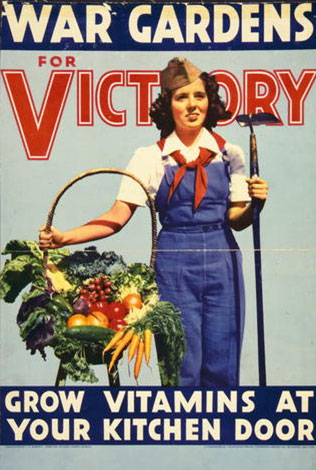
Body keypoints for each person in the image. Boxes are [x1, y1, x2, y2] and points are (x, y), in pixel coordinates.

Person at [39, 58, 268, 387]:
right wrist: (64, 238)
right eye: (181, 97)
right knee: (180, 362)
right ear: (168, 106)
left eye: (199, 96)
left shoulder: (230, 153)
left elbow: (238, 219)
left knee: (223, 360)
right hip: (174, 263)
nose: (192, 105)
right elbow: (117, 217)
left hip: (223, 261)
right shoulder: (149, 157)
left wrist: (256, 205)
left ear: (210, 100)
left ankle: (220, 436)